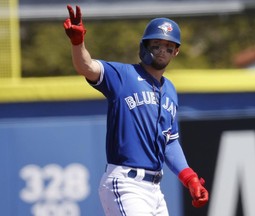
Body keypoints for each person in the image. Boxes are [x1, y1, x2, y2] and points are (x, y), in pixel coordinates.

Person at [63, 5, 209, 215]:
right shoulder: (123, 75)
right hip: (126, 184)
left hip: (155, 190)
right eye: (156, 44)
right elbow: (86, 66)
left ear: (176, 52)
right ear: (145, 46)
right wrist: (78, 43)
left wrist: (189, 177)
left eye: (168, 46)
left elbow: (170, 141)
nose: (162, 50)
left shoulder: (169, 90)